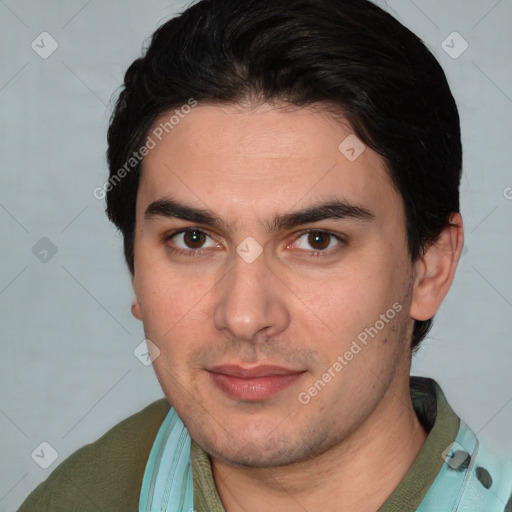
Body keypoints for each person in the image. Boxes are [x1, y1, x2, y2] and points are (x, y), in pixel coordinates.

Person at [18, 0, 512, 510]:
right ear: (135, 270)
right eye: (193, 239)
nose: (245, 316)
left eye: (317, 240)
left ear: (430, 268)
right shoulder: (77, 497)